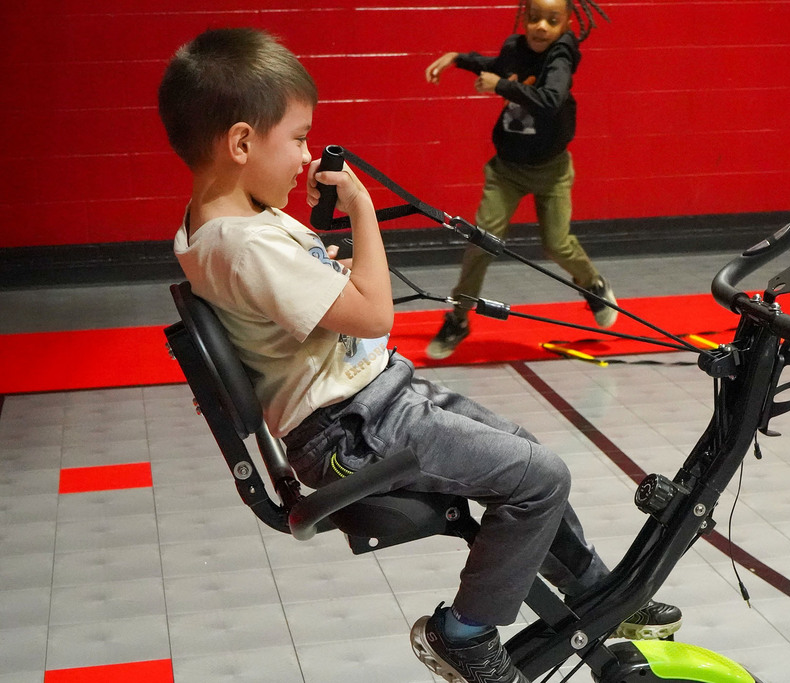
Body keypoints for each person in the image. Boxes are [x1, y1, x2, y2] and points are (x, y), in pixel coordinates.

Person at [158, 27, 680, 683]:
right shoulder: (244, 241)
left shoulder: (215, 225)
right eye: (296, 137)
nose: (306, 154)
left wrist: (331, 263)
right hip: (353, 427)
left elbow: (290, 291)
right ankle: (464, 632)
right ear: (240, 142)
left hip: (376, 400)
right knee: (542, 475)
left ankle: (598, 594)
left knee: (523, 454)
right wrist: (362, 211)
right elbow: (374, 311)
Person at [424, 0, 617, 361]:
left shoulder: (561, 57)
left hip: (552, 171)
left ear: (566, 23)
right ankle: (458, 318)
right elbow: (494, 66)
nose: (541, 26)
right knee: (482, 240)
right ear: (523, 18)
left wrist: (501, 87)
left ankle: (592, 285)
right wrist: (457, 58)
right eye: (534, 18)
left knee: (557, 245)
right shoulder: (515, 47)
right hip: (506, 171)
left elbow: (550, 99)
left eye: (552, 20)